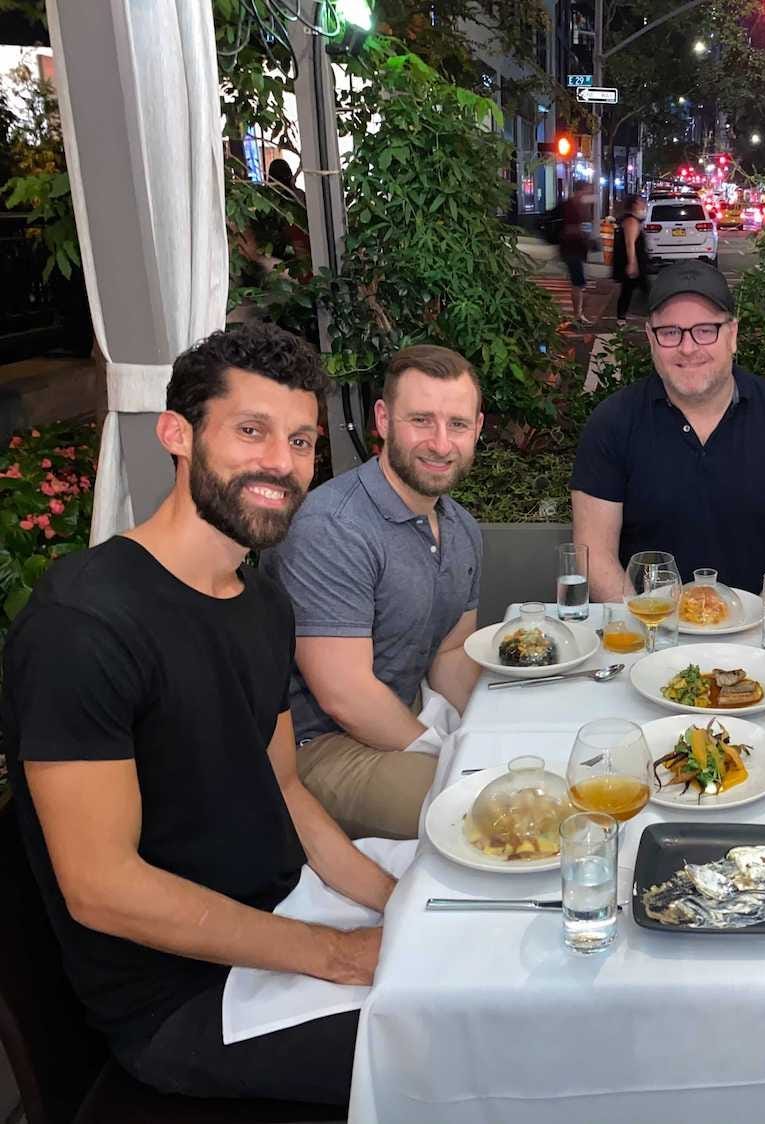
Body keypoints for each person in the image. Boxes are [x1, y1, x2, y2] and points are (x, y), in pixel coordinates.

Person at [0, 323, 394, 1104]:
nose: (282, 464)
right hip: (182, 1003)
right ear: (177, 434)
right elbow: (102, 887)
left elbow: (285, 789)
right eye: (251, 431)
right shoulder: (84, 623)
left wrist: (398, 907)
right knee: (467, 1050)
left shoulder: (265, 604)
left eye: (302, 440)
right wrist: (341, 955)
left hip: (281, 919)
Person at [261, 345, 484, 840]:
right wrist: (444, 749)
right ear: (382, 419)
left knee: (529, 773)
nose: (441, 443)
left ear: (478, 429)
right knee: (477, 813)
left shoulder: (461, 527)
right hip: (317, 748)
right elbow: (346, 696)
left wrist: (488, 732)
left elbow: (449, 652)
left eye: (458, 425)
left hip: (402, 721)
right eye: (421, 421)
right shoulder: (333, 527)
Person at [570, 260, 765, 599]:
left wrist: (762, 625)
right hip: (649, 632)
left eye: (705, 329)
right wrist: (643, 628)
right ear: (651, 338)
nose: (688, 347)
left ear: (732, 335)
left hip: (760, 635)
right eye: (670, 332)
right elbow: (593, 551)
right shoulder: (612, 423)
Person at [559, 183, 596, 326]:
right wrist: (582, 232)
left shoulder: (580, 206)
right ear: (580, 191)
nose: (589, 194)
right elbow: (568, 229)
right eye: (587, 191)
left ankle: (578, 314)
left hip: (577, 250)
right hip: (571, 250)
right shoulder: (569, 206)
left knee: (579, 283)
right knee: (578, 283)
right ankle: (578, 316)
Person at [612, 193, 649, 320]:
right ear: (634, 204)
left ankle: (621, 318)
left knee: (629, 290)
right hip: (633, 261)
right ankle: (621, 318)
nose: (643, 203)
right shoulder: (631, 221)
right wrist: (632, 263)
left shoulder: (633, 219)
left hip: (636, 261)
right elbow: (630, 243)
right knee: (636, 290)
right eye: (640, 201)